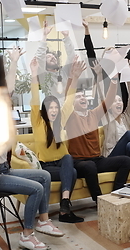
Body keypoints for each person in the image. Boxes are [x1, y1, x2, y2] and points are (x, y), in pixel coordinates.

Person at [0, 47, 63, 250]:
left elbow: (7, 89)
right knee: (36, 188)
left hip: (4, 171)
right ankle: (27, 234)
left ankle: (43, 221)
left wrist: (14, 60)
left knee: (43, 175)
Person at [29, 56, 87, 223]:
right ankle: (65, 209)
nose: (53, 110)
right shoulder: (38, 121)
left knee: (68, 158)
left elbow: (69, 99)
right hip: (46, 166)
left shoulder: (60, 121)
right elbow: (34, 98)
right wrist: (34, 74)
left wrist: (75, 77)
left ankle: (64, 203)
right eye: (50, 108)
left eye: (56, 107)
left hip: (62, 163)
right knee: (73, 172)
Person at [65, 73, 130, 202]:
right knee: (89, 166)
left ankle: (116, 194)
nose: (82, 98)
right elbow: (67, 96)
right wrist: (73, 77)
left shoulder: (94, 114)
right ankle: (99, 201)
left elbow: (109, 100)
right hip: (79, 162)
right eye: (78, 97)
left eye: (83, 96)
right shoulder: (71, 116)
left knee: (126, 161)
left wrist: (113, 80)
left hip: (97, 160)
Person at [35, 22, 76, 103]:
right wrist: (44, 36)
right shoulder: (44, 75)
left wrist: (66, 37)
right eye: (48, 57)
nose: (52, 57)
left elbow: (71, 56)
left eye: (53, 56)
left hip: (68, 108)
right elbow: (39, 57)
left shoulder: (63, 72)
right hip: (52, 110)